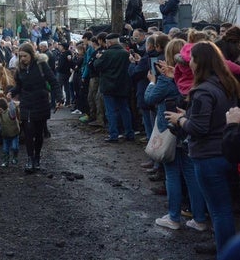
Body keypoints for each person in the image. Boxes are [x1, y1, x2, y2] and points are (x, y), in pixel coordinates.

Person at [165, 41, 239, 257]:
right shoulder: (228, 83)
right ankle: (223, 246)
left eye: (193, 60)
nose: (191, 64)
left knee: (219, 210)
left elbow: (198, 128)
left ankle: (225, 253)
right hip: (227, 150)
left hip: (208, 155)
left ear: (200, 62)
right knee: (223, 208)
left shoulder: (203, 90)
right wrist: (188, 115)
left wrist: (180, 120)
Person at [144, 39, 207, 232]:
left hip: (171, 130)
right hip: (188, 130)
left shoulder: (167, 79)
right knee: (190, 175)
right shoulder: (195, 79)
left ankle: (173, 217)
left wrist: (152, 83)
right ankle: (199, 218)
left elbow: (149, 100)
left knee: (171, 174)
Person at [7, 43, 63, 173]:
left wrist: (60, 97)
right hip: (26, 103)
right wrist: (12, 92)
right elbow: (19, 86)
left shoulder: (41, 65)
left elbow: (53, 81)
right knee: (28, 132)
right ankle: (29, 158)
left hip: (41, 102)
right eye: (20, 56)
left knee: (38, 134)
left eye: (25, 56)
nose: (22, 59)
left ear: (31, 55)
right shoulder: (19, 69)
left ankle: (37, 157)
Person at [93, 33, 135, 142]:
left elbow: (97, 66)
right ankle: (129, 133)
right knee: (124, 109)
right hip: (122, 86)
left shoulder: (107, 54)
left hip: (108, 86)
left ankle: (114, 134)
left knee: (110, 111)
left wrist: (98, 58)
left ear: (109, 43)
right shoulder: (125, 54)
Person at [0, 97, 20, 167]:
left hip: (14, 134)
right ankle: (6, 161)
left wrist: (10, 100)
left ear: (0, 109)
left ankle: (15, 157)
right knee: (5, 150)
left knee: (15, 147)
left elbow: (13, 109)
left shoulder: (10, 113)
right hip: (5, 135)